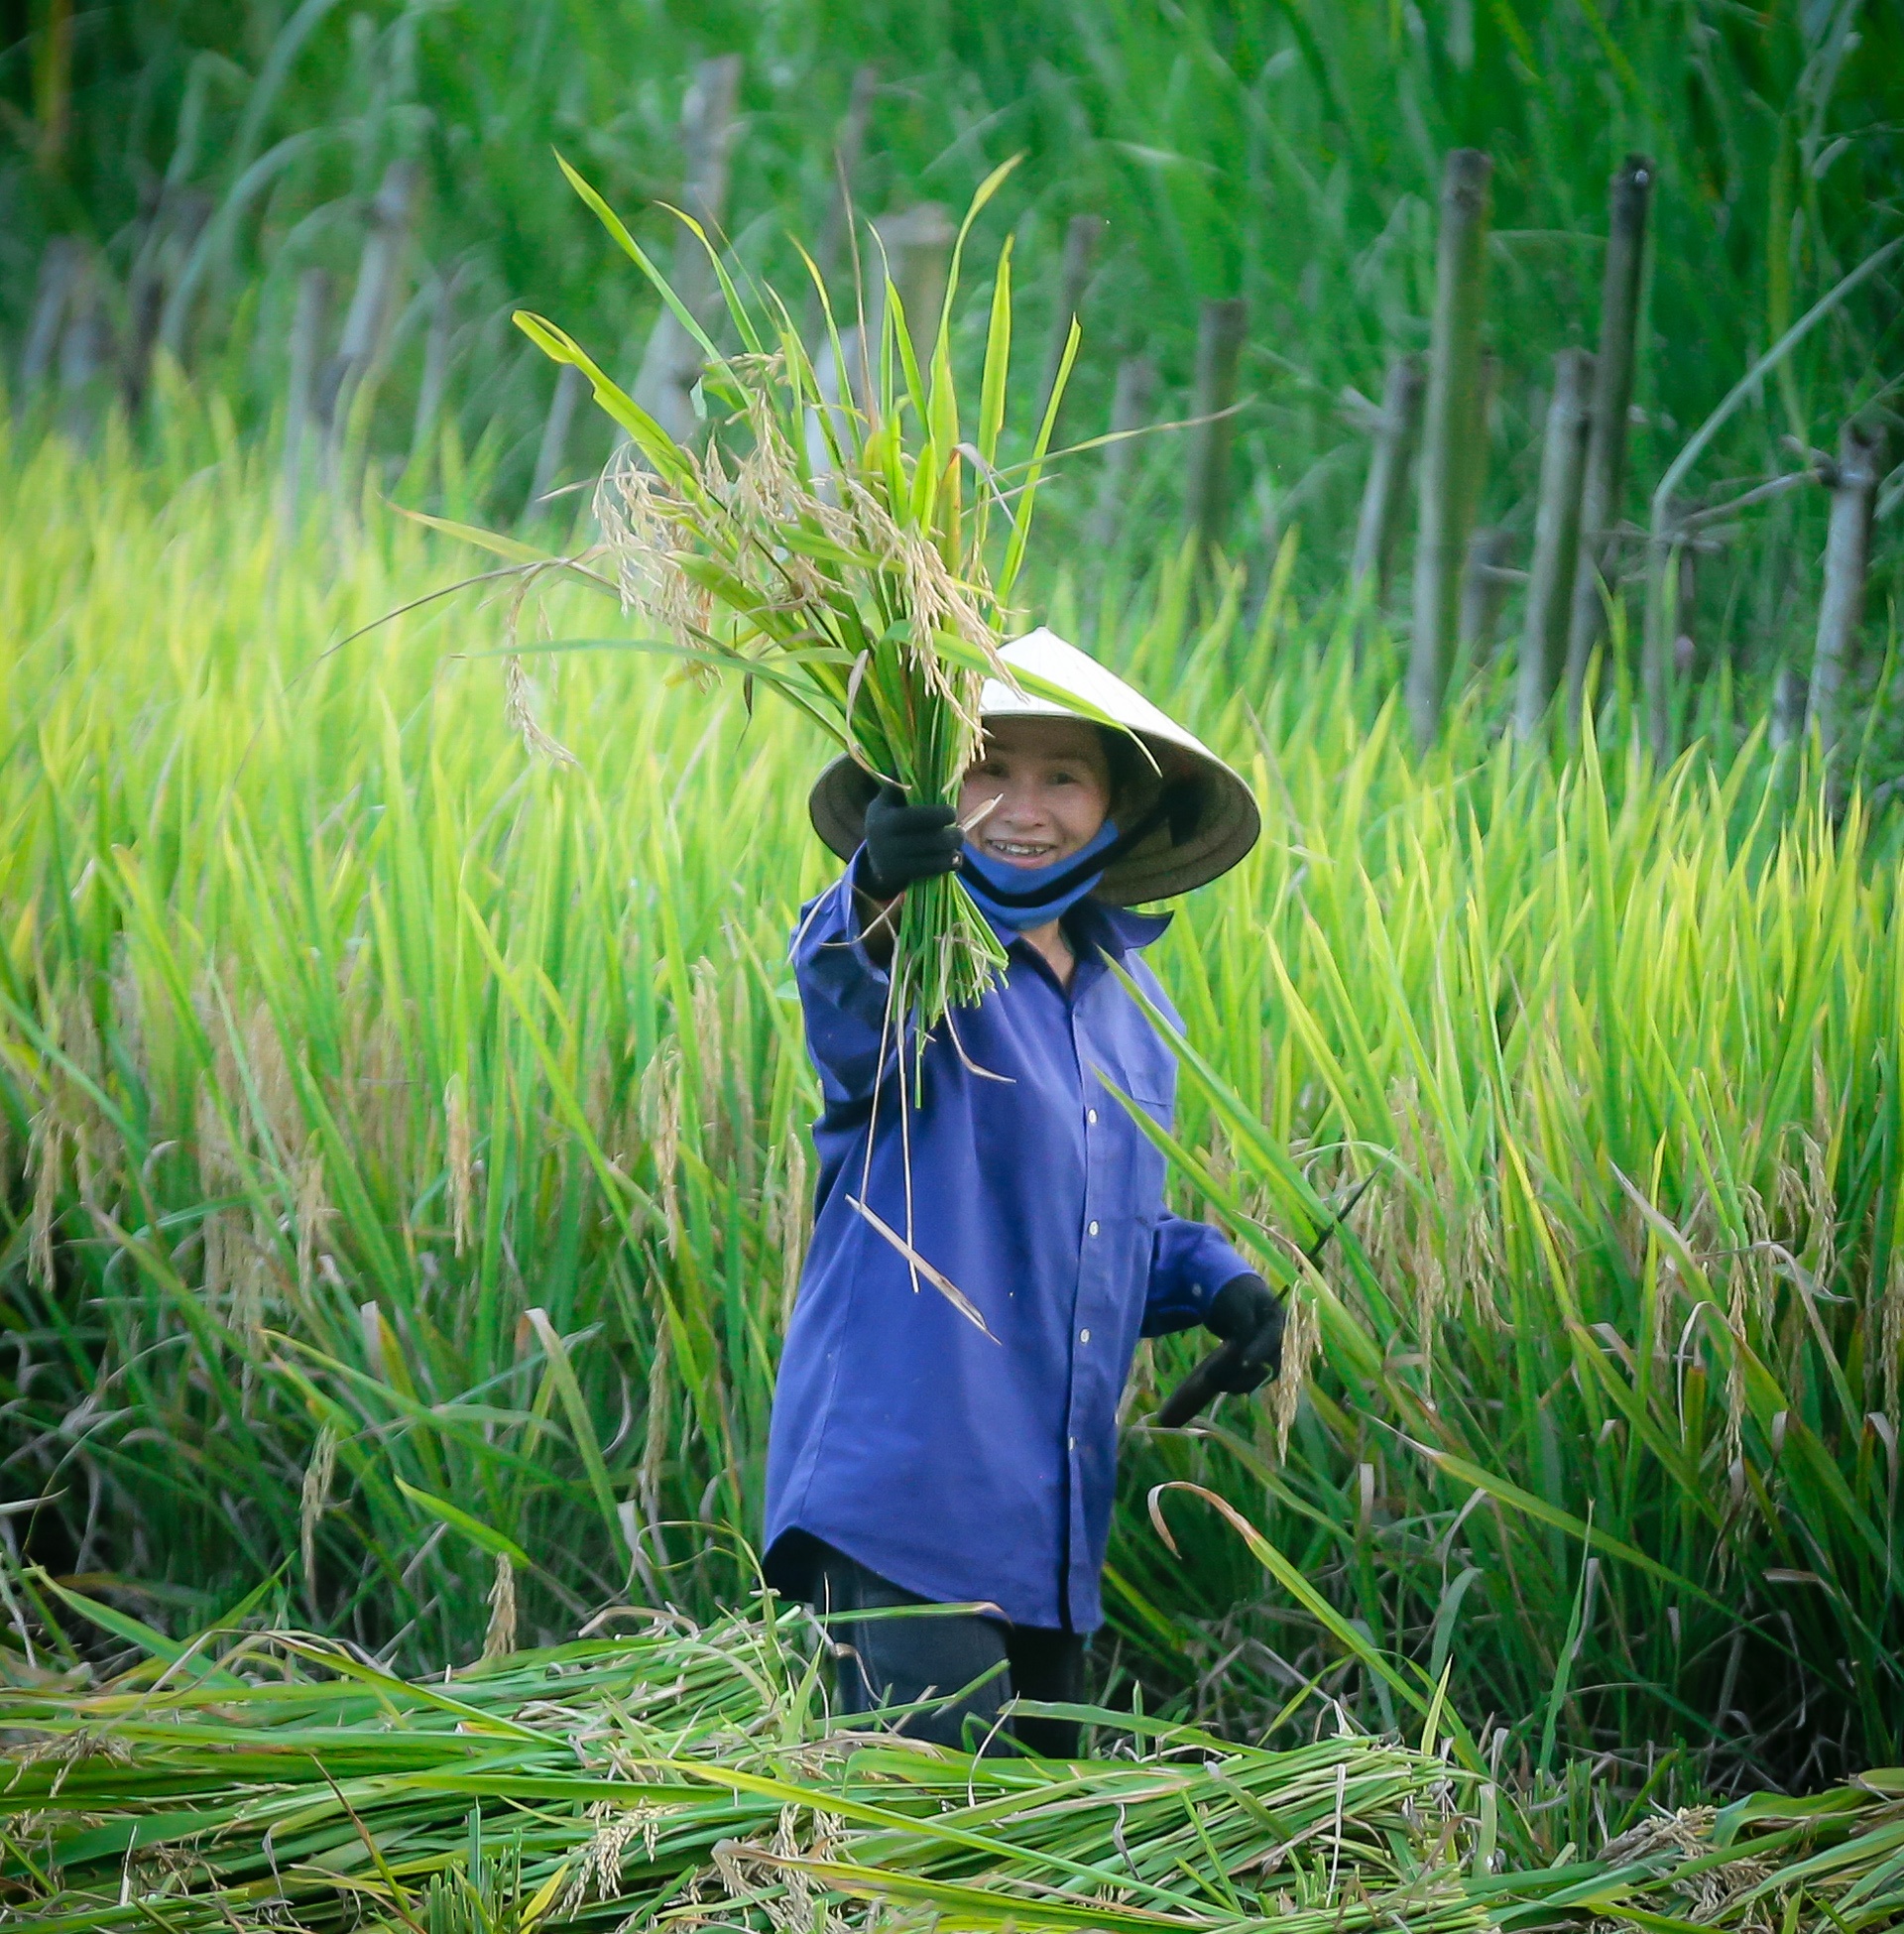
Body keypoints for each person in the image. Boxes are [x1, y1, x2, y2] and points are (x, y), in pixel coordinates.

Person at [764, 628, 1281, 1757]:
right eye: (989, 769)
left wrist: (1219, 1284)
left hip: (1047, 1516)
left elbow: (1091, 1229)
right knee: (947, 1845)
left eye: (1065, 777)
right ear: (937, 787)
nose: (1022, 808)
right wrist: (881, 890)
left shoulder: (1131, 1002)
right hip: (908, 1489)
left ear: (1121, 804)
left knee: (1032, 1857)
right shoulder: (922, 951)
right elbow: (847, 1005)